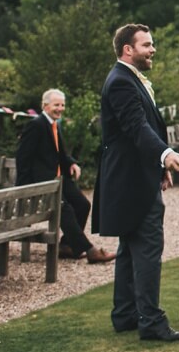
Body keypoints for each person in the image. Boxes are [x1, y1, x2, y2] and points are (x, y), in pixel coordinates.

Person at [92, 24, 179, 342]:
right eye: (147, 45)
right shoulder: (121, 82)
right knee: (148, 248)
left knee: (130, 249)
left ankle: (125, 314)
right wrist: (165, 154)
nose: (153, 49)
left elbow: (139, 131)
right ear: (127, 50)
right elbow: (137, 128)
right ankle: (151, 321)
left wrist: (158, 165)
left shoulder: (125, 79)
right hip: (131, 181)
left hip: (131, 178)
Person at [15, 88, 114, 263]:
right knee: (65, 209)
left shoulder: (54, 124)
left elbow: (60, 153)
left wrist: (72, 163)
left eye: (62, 105)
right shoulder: (36, 125)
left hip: (59, 179)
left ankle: (67, 246)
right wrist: (26, 190)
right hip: (42, 183)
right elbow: (23, 159)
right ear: (45, 106)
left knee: (83, 204)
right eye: (56, 105)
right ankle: (90, 251)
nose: (60, 108)